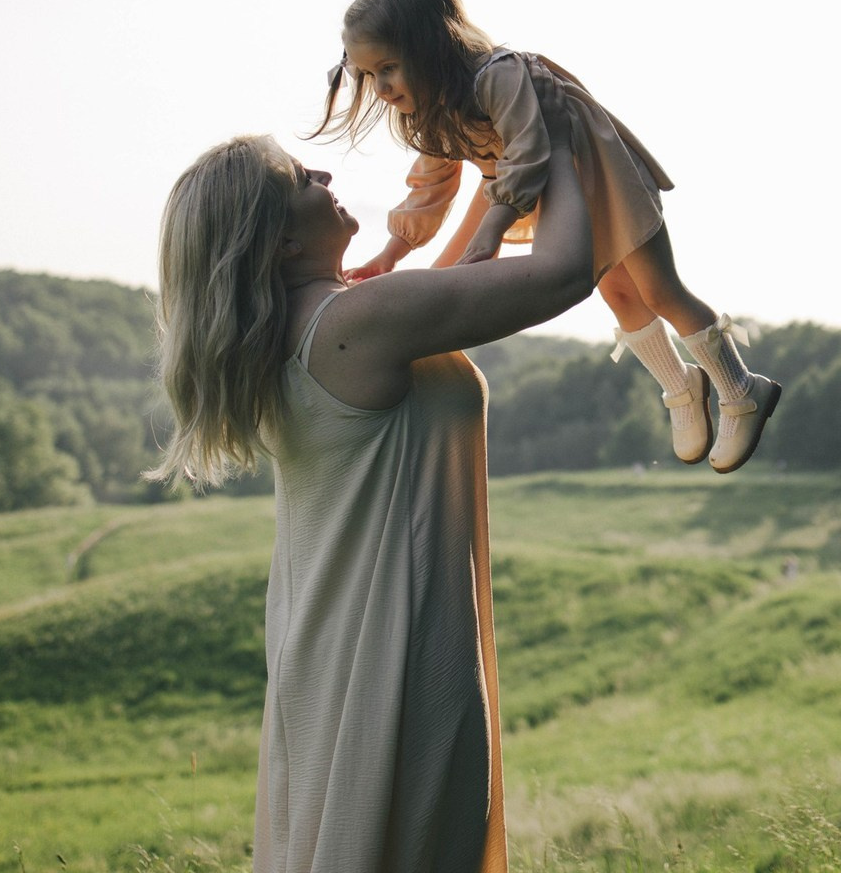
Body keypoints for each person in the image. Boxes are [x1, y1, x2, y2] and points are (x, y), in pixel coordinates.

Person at [145, 74, 593, 873]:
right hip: (393, 649)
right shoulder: (354, 323)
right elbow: (562, 274)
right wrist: (557, 131)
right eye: (297, 179)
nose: (321, 176)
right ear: (278, 239)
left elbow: (459, 275)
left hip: (328, 642)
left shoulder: (304, 329)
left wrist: (502, 161)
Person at [308, 0, 781, 473]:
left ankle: (741, 388)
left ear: (431, 44)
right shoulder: (431, 108)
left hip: (605, 177)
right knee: (619, 296)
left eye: (389, 68)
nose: (380, 87)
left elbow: (529, 153)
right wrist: (391, 254)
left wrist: (490, 232)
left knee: (660, 290)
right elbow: (431, 185)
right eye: (369, 74)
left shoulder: (501, 75)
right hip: (562, 195)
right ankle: (682, 385)